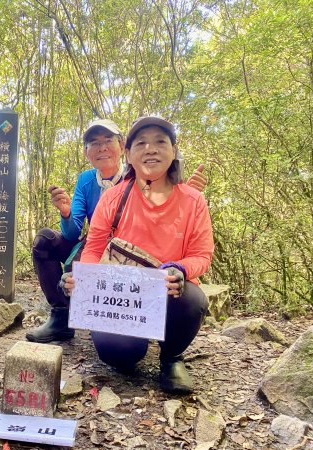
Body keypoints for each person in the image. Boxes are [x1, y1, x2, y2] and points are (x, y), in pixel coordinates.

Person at [63, 116, 214, 394]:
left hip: (167, 291)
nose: (151, 149)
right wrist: (82, 278)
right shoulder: (115, 196)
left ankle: (171, 357)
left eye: (160, 142)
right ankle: (133, 344)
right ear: (129, 155)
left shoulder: (193, 200)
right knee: (119, 354)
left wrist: (179, 269)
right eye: (141, 143)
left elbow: (202, 254)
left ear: (173, 150)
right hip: (123, 294)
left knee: (192, 299)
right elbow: (95, 246)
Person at [26, 118, 207, 343]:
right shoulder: (86, 180)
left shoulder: (141, 176)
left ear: (122, 147)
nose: (101, 148)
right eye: (94, 143)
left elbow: (169, 223)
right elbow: (75, 235)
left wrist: (185, 197)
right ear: (86, 152)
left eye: (107, 140)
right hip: (101, 249)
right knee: (48, 243)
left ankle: (167, 351)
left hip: (138, 264)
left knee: (185, 297)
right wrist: (66, 213)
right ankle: (62, 316)